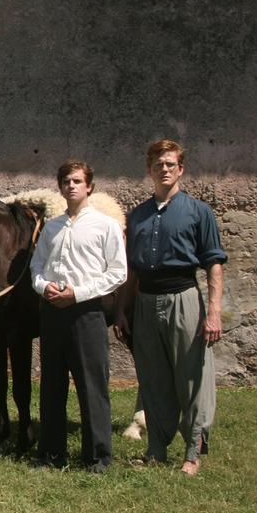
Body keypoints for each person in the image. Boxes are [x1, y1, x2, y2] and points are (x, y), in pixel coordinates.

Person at [114, 140, 226, 476]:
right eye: (158, 164)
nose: (164, 169)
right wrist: (122, 309)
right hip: (146, 302)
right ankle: (156, 449)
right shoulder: (138, 215)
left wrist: (214, 313)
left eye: (170, 164)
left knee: (191, 377)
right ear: (149, 170)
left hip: (183, 298)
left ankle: (192, 452)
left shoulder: (198, 212)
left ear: (181, 169)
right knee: (153, 378)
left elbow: (214, 264)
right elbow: (131, 271)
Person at [30, 160, 127, 473]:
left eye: (76, 181)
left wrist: (79, 293)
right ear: (60, 188)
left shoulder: (105, 226)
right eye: (66, 182)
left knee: (91, 386)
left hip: (87, 313)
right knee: (51, 386)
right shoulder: (52, 228)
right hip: (53, 313)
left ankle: (97, 457)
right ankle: (51, 454)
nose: (71, 186)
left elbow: (118, 272)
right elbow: (36, 266)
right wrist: (43, 287)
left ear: (89, 187)